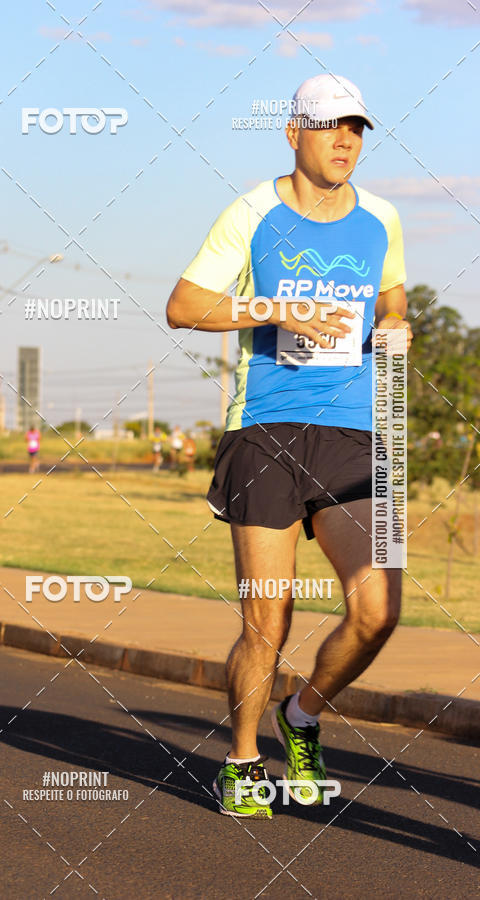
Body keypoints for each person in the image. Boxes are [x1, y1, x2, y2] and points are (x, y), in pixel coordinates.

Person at [167, 73, 413, 819]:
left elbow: (394, 297)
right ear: (293, 132)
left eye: (357, 128)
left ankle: (301, 714)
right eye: (331, 125)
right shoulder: (250, 212)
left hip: (359, 433)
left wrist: (396, 331)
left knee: (379, 610)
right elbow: (183, 308)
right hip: (266, 430)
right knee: (267, 616)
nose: (345, 140)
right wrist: (281, 309)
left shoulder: (382, 218)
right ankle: (242, 758)